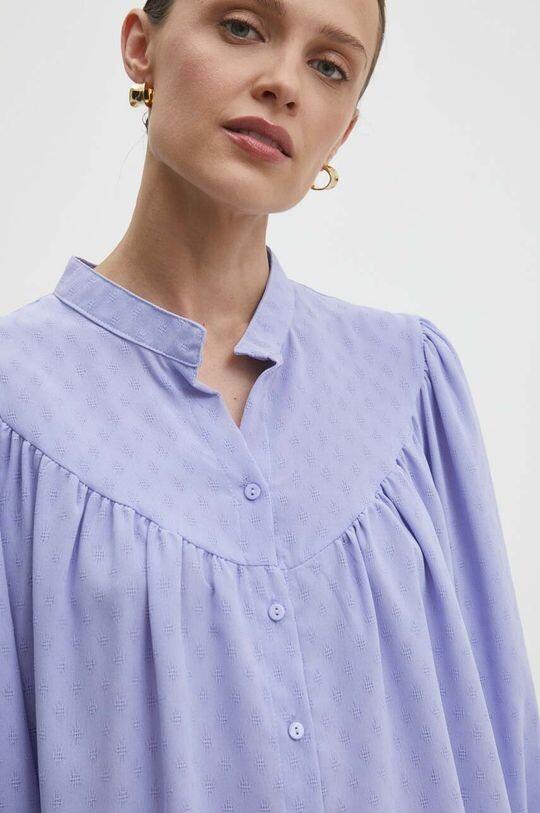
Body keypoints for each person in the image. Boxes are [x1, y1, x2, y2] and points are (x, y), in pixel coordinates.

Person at [0, 0, 538, 810]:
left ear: (341, 132)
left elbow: (500, 729)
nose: (284, 83)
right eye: (241, 27)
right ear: (141, 48)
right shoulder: (17, 402)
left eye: (329, 67)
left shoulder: (411, 383)